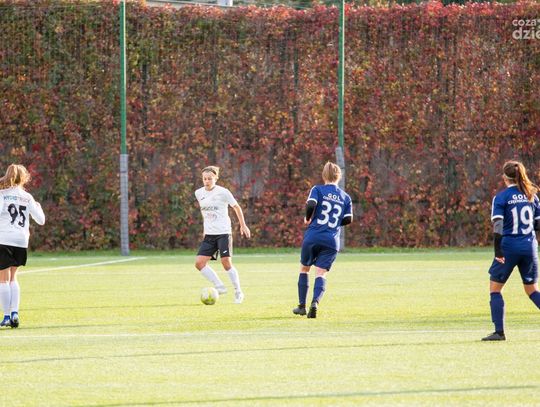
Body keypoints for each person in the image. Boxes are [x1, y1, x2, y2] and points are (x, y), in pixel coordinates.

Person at [482, 160, 540, 341]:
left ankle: (499, 332)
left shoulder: (501, 197)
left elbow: (498, 226)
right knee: (532, 290)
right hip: (530, 247)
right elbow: (538, 225)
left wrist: (498, 251)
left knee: (495, 289)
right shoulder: (532, 196)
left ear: (504, 177)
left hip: (508, 247)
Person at [293, 161, 353, 318]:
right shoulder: (346, 197)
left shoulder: (317, 189)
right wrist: (334, 224)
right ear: (339, 177)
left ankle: (301, 306)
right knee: (321, 273)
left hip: (313, 236)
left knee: (304, 269)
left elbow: (311, 204)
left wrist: (308, 218)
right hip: (331, 240)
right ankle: (315, 303)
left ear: (324, 175)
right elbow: (348, 219)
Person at [194, 166, 251, 304]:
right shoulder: (198, 193)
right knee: (199, 263)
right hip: (210, 234)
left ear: (216, 178)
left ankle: (238, 292)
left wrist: (243, 225)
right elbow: (204, 212)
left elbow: (236, 207)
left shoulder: (223, 192)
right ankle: (219, 286)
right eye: (204, 179)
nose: (207, 181)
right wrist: (205, 229)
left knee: (226, 263)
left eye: (210, 178)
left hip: (223, 233)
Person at [0, 164, 45, 328]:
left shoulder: (2, 194)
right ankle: (15, 313)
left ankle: (6, 316)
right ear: (24, 178)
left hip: (4, 238)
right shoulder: (27, 197)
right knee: (13, 277)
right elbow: (41, 220)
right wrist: (39, 207)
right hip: (21, 241)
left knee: (3, 280)